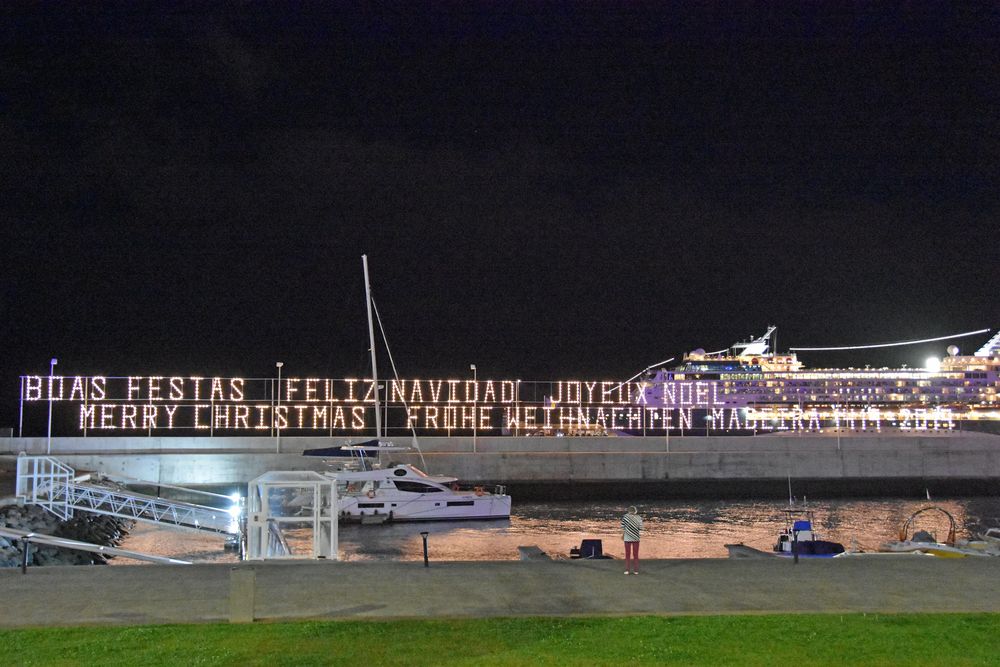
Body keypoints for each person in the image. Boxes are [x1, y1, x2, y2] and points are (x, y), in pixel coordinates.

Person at [621, 506, 642, 575]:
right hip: (636, 537)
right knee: (635, 554)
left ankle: (627, 570)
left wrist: (623, 535)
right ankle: (636, 570)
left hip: (627, 538)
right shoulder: (639, 517)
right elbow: (640, 528)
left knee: (627, 554)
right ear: (635, 511)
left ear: (628, 511)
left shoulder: (625, 517)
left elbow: (623, 527)